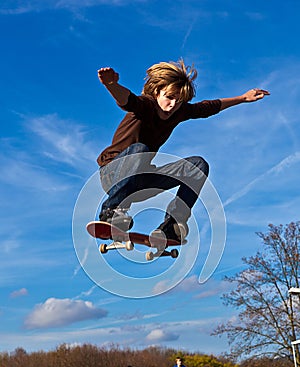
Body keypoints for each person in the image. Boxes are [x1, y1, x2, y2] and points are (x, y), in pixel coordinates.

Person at [97, 59, 270, 241]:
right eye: (169, 98)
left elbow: (207, 107)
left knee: (197, 164)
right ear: (157, 93)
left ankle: (172, 225)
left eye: (178, 101)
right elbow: (127, 100)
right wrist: (111, 85)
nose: (172, 106)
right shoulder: (146, 105)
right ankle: (112, 211)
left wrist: (242, 98)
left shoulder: (178, 112)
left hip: (141, 180)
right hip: (113, 174)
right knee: (141, 148)